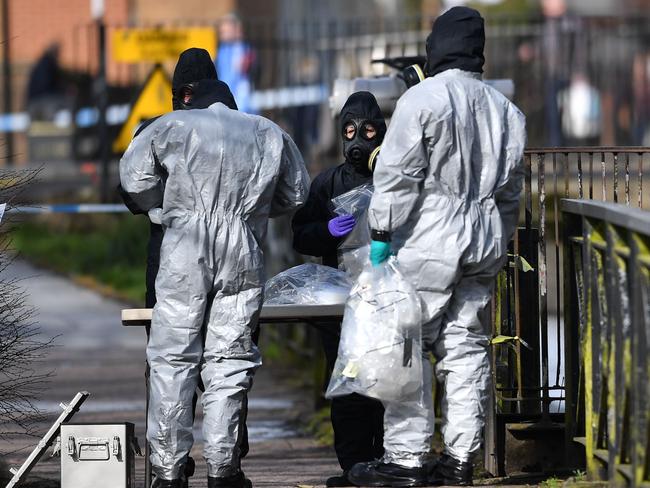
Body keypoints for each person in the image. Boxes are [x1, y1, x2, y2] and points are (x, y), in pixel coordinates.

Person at [350, 7, 526, 487]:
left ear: (437, 46)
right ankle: (459, 460)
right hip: (484, 237)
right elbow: (511, 191)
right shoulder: (506, 110)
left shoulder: (422, 99)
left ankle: (406, 459)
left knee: (407, 344)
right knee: (465, 345)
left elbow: (398, 178)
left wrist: (381, 236)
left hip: (428, 238)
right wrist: (497, 234)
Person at [120, 79, 309, 488]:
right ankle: (224, 469)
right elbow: (296, 193)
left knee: (173, 357)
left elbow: (133, 182)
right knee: (230, 358)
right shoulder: (266, 131)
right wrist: (253, 211)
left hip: (185, 244)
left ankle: (168, 470)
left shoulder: (170, 127)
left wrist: (168, 207)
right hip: (242, 243)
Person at [292, 91, 387, 487]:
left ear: (379, 133)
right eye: (350, 131)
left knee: (386, 383)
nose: (358, 140)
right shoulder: (327, 184)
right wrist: (326, 233)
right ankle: (353, 465)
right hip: (341, 306)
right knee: (348, 385)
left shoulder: (392, 178)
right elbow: (300, 234)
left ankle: (389, 458)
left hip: (386, 301)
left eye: (366, 131)